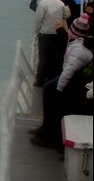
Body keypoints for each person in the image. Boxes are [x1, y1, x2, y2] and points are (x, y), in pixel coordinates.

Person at [30, 17, 93, 149]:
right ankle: (46, 128)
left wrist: (59, 90)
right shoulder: (77, 43)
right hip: (72, 79)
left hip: (72, 82)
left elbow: (68, 71)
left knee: (50, 93)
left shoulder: (78, 50)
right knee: (48, 88)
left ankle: (49, 134)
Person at [33, 0, 70, 86]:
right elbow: (65, 16)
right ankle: (53, 80)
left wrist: (37, 32)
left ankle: (40, 81)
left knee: (43, 58)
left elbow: (38, 20)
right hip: (58, 34)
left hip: (45, 35)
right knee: (56, 58)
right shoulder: (61, 4)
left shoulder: (43, 4)